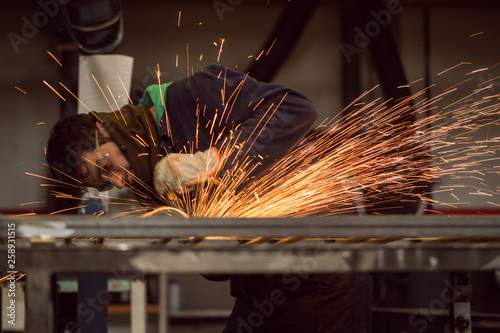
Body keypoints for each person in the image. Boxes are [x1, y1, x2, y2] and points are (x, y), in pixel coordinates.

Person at [47, 63, 372, 332]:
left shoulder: (191, 95)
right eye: (104, 184)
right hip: (260, 284)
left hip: (320, 271)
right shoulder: (146, 184)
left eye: (105, 166)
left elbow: (296, 109)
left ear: (105, 129)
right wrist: (190, 236)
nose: (117, 181)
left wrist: (214, 161)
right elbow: (216, 268)